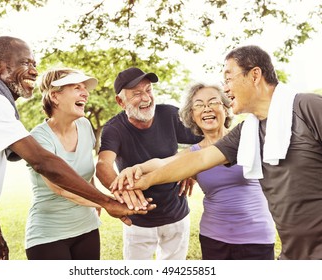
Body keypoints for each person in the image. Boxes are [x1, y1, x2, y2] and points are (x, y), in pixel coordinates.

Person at [113, 45, 322, 260]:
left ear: (255, 75)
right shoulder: (248, 132)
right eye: (199, 105)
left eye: (228, 79)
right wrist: (142, 178)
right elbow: (200, 158)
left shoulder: (308, 107)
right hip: (294, 252)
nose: (226, 89)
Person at [0, 36, 154, 260]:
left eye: (34, 64)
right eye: (25, 63)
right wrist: (107, 201)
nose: (34, 71)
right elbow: (43, 163)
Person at [113, 82, 276, 260]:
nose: (206, 109)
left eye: (213, 102)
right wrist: (135, 169)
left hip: (257, 236)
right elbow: (162, 163)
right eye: (198, 105)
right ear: (192, 115)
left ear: (226, 107)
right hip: (214, 238)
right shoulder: (193, 154)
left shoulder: (247, 138)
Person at [96, 67, 202, 260]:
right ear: (121, 102)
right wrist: (124, 193)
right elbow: (103, 165)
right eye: (136, 93)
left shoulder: (170, 114)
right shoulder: (114, 128)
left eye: (148, 90)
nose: (146, 98)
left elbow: (210, 139)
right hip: (137, 221)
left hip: (176, 215)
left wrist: (191, 167)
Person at [25, 68, 103, 260]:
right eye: (77, 87)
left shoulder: (85, 127)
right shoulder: (39, 137)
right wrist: (108, 203)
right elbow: (61, 188)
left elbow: (86, 175)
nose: (85, 93)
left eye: (85, 88)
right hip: (48, 235)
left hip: (88, 228)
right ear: (54, 96)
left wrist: (97, 204)